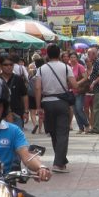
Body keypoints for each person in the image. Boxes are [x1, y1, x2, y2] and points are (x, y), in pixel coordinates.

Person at [35, 44, 76, 173]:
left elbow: (37, 88)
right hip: (61, 102)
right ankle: (58, 164)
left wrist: (38, 107)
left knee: (53, 132)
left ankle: (61, 161)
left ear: (47, 54)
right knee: (62, 133)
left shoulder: (41, 69)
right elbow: (74, 85)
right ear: (59, 54)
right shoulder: (66, 67)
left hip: (47, 103)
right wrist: (84, 80)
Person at [0, 55, 28, 128]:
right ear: (1, 66)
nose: (9, 67)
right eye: (5, 65)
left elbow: (24, 95)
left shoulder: (18, 79)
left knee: (17, 137)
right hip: (1, 115)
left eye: (11, 65)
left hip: (17, 113)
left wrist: (26, 111)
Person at [68, 51, 89, 134]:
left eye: (74, 57)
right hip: (71, 92)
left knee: (79, 109)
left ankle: (87, 125)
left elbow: (85, 77)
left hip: (79, 91)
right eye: (71, 57)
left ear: (77, 58)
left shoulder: (80, 66)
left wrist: (77, 83)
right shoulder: (69, 68)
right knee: (75, 111)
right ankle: (81, 128)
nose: (73, 59)